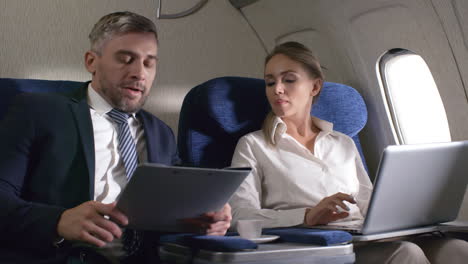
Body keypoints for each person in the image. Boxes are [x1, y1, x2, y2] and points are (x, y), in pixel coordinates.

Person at [0, 11, 231, 264]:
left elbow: (170, 212)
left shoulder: (161, 134)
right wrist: (58, 221)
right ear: (91, 62)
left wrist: (204, 217)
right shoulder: (37, 111)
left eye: (148, 62)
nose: (139, 73)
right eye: (126, 59)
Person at [228, 41, 468, 264]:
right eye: (270, 82)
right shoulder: (253, 145)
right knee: (406, 253)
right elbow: (240, 216)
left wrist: (407, 215)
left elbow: (366, 202)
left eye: (288, 80)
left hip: (362, 237)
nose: (277, 89)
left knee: (457, 249)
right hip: (314, 245)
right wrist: (308, 215)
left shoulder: (342, 142)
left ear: (315, 86)